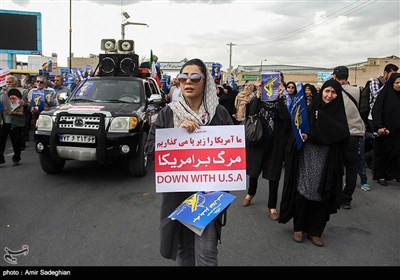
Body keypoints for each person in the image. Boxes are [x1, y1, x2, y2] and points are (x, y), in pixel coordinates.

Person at [145, 58, 233, 266]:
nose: (188, 82)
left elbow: (233, 151)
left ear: (206, 82)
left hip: (208, 197)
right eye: (183, 77)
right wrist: (177, 135)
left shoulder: (218, 113)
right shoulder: (168, 113)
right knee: (183, 250)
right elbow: (150, 149)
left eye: (195, 77)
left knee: (207, 252)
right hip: (178, 196)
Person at [279, 79, 350, 247]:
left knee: (322, 194)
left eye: (333, 92)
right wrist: (306, 135)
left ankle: (316, 231)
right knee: (304, 190)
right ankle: (299, 227)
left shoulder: (338, 114)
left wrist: (322, 124)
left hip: (328, 160)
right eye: (327, 91)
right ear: (322, 92)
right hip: (308, 156)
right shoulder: (311, 110)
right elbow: (300, 127)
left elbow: (342, 137)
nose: (329, 95)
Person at [332, 66, 366, 209]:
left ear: (335, 77)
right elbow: (363, 110)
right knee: (351, 168)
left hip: (338, 133)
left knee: (336, 167)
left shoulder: (332, 91)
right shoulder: (358, 91)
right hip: (354, 134)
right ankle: (346, 199)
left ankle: (334, 196)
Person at [371, 72, 400, 184]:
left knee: (397, 154)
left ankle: (395, 174)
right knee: (383, 154)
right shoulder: (384, 95)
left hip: (398, 131)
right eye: (397, 83)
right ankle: (381, 175)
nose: (399, 85)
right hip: (385, 131)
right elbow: (376, 111)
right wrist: (379, 126)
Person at [0, 88, 31, 166]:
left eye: (10, 82)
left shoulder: (21, 93)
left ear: (15, 83)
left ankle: (16, 158)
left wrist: (24, 104)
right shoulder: (1, 95)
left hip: (16, 123)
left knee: (16, 142)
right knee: (1, 141)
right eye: (7, 82)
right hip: (3, 122)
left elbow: (29, 107)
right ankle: (0, 160)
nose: (8, 83)